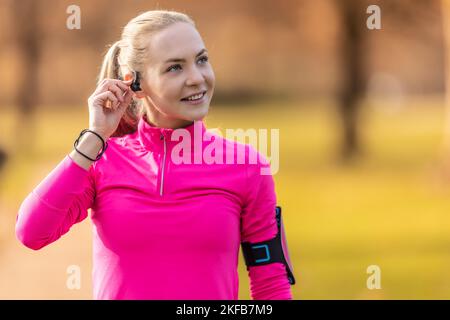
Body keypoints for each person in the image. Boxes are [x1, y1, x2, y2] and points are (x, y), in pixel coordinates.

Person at [15, 10, 294, 300]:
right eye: (175, 68)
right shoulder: (103, 161)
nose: (197, 78)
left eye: (201, 60)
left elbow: (271, 285)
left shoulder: (247, 167)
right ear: (134, 84)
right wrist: (95, 137)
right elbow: (32, 232)